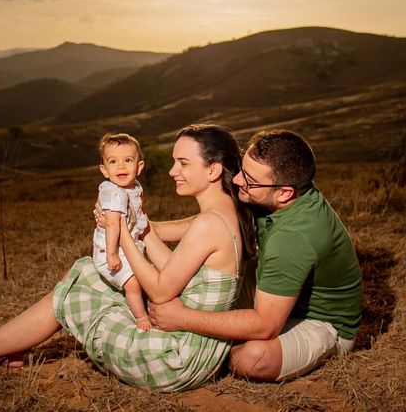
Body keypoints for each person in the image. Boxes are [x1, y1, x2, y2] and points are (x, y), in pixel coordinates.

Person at [0, 124, 257, 392]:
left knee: (77, 282)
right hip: (196, 349)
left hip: (175, 359)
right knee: (88, 269)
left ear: (213, 169)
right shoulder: (225, 213)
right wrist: (124, 219)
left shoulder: (208, 224)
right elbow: (160, 247)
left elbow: (161, 290)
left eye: (183, 163)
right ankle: (4, 348)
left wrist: (122, 232)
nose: (173, 171)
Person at [148, 129, 362, 382]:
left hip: (320, 320)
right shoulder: (272, 189)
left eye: (249, 179)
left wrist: (183, 318)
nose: (238, 180)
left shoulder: (293, 238)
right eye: (242, 170)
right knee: (204, 274)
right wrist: (150, 228)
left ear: (285, 193)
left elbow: (265, 325)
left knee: (251, 358)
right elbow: (218, 220)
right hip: (276, 291)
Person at [92, 132, 150, 330]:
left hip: (128, 246)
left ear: (139, 167)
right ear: (104, 170)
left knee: (144, 278)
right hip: (110, 250)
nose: (121, 167)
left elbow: (138, 211)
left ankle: (141, 305)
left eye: (127, 160)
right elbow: (111, 225)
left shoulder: (135, 188)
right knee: (133, 284)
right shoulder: (113, 192)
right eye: (113, 161)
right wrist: (111, 254)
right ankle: (141, 318)